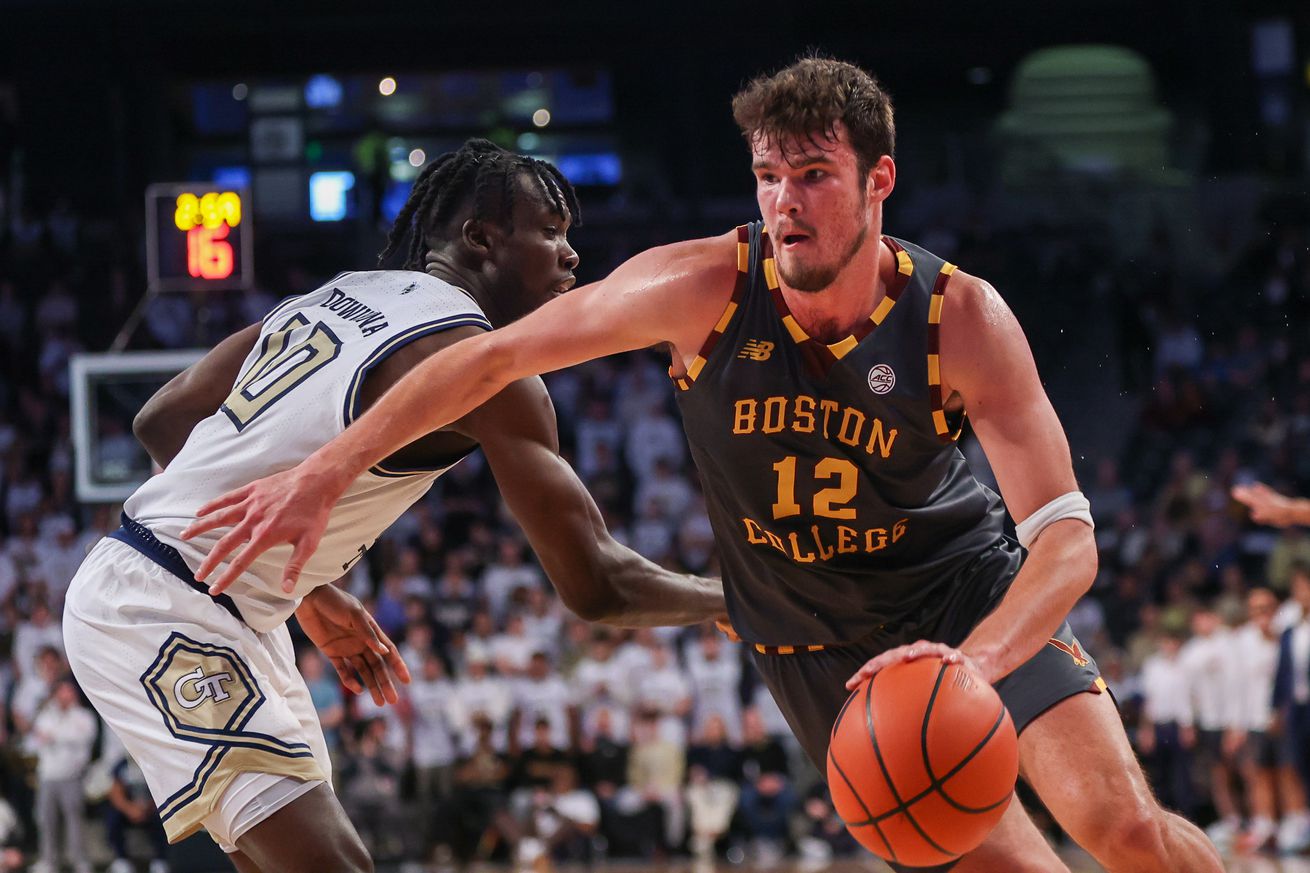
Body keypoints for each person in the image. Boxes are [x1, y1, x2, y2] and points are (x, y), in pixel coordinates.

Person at [183, 60, 1222, 872]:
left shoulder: (960, 316)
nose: (784, 202)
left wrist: (974, 662)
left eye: (812, 175)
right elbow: (489, 357)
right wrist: (329, 470)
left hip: (960, 596)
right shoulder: (697, 289)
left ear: (877, 181)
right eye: (768, 176)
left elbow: (1066, 540)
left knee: (1117, 826)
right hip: (808, 638)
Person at [61, 140, 723, 872]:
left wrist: (304, 583)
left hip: (217, 599)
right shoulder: (490, 371)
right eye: (552, 231)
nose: (572, 257)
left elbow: (161, 419)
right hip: (162, 603)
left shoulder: (340, 291)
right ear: (481, 238)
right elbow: (597, 583)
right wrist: (734, 598)